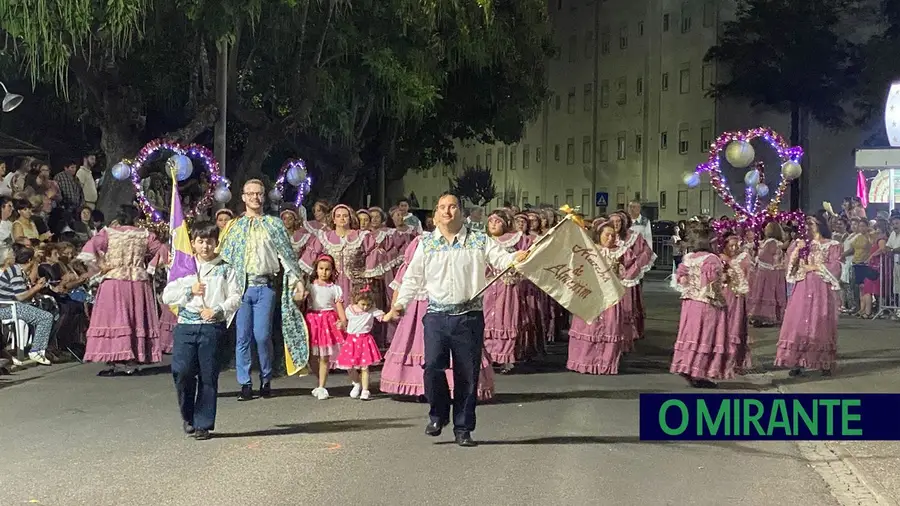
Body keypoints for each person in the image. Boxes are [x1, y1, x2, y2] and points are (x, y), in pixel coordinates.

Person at [383, 192, 527, 447]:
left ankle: (463, 428)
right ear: (435, 214)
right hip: (437, 315)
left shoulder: (480, 241)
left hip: (468, 316)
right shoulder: (426, 244)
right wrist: (399, 305)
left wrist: (516, 258)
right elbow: (413, 278)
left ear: (460, 211)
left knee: (466, 374)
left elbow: (502, 260)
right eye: (442, 208)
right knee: (432, 367)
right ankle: (438, 414)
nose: (447, 212)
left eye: (452, 207)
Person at [218, 179, 308, 401]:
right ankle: (245, 383)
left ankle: (266, 377)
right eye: (250, 194)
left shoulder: (274, 224)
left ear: (264, 196)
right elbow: (224, 258)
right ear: (243, 197)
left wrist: (297, 281)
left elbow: (287, 256)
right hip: (241, 288)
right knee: (242, 337)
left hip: (265, 287)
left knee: (262, 335)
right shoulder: (235, 226)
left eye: (258, 194)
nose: (255, 198)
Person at [161, 221, 241, 440]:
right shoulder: (184, 268)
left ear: (216, 242)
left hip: (211, 328)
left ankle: (202, 423)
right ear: (193, 243)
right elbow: (167, 296)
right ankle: (188, 415)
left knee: (208, 376)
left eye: (209, 241)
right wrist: (189, 290)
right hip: (186, 326)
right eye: (200, 241)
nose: (205, 246)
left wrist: (218, 309)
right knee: (182, 372)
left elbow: (235, 296)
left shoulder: (225, 267)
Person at [669, 223, 736, 388]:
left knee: (691, 335)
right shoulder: (712, 259)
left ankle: (687, 365)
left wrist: (688, 281)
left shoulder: (689, 257)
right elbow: (712, 284)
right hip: (707, 303)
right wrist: (725, 279)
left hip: (690, 303)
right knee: (705, 336)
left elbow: (681, 276)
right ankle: (700, 372)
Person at [775, 214, 842, 376]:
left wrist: (813, 267)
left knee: (820, 321)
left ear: (820, 225)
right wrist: (798, 251)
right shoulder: (801, 244)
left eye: (811, 224)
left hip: (821, 287)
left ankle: (823, 362)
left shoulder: (832, 245)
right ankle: (797, 362)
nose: (808, 227)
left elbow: (835, 267)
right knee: (799, 321)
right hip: (803, 287)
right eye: (806, 224)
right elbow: (790, 266)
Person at [0, 243, 54, 365]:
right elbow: (20, 296)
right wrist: (37, 288)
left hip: (14, 306)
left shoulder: (19, 272)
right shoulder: (15, 272)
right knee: (45, 317)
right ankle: (36, 350)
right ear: (30, 260)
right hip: (7, 308)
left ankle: (41, 347)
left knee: (49, 311)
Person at [304, 254, 348, 400]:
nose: (324, 272)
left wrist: (343, 321)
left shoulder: (335, 288)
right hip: (312, 320)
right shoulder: (310, 286)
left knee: (324, 356)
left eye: (327, 269)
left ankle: (322, 386)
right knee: (311, 356)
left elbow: (339, 307)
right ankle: (319, 380)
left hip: (327, 322)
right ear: (316, 269)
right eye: (321, 268)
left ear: (332, 271)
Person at [335, 285, 385, 400]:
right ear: (357, 301)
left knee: (365, 367)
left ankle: (365, 390)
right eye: (363, 304)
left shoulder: (372, 310)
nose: (366, 307)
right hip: (351, 341)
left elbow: (382, 317)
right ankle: (356, 383)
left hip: (365, 340)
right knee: (349, 367)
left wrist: (390, 315)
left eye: (368, 304)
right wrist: (341, 324)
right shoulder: (349, 310)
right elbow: (344, 320)